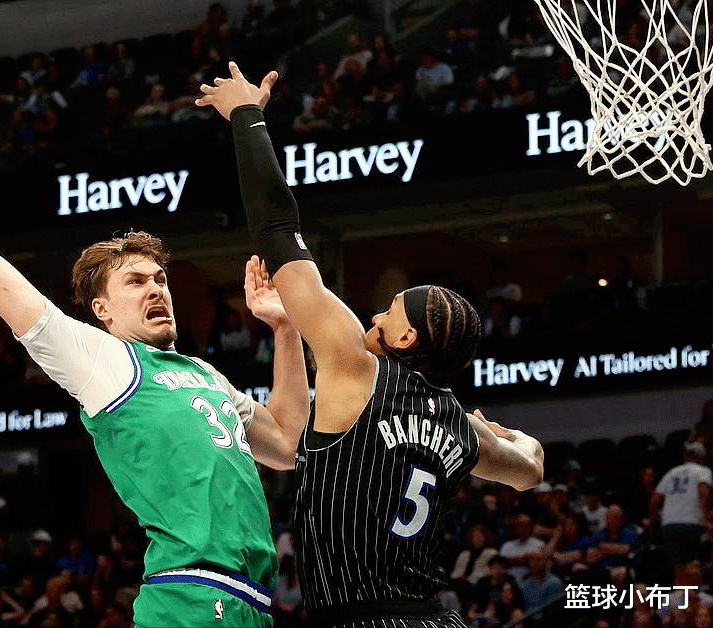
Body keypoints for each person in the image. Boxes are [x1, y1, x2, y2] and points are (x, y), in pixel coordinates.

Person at [0, 69, 310, 628]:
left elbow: (286, 444)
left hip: (253, 603)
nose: (156, 289)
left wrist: (285, 330)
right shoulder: (101, 361)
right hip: (191, 597)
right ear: (102, 311)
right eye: (135, 282)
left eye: (160, 279)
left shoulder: (206, 374)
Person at [197, 61, 544, 628]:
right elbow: (531, 469)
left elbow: (278, 228)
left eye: (391, 308)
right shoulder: (462, 428)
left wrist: (246, 117)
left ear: (406, 337)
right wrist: (509, 434)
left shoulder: (356, 366)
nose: (377, 313)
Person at [650, 441, 712, 583]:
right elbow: (703, 492)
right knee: (695, 568)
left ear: (685, 457)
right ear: (703, 458)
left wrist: (654, 522)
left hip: (670, 525)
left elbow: (654, 500)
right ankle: (695, 596)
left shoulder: (671, 473)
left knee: (678, 570)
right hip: (693, 523)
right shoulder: (703, 471)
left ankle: (681, 597)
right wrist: (706, 518)